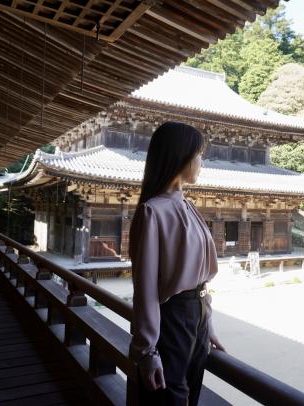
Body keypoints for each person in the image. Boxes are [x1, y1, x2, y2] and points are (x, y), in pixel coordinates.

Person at [129, 121, 225, 405]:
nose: (201, 162)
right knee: (171, 398)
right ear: (180, 156)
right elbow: (145, 288)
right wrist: (146, 351)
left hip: (196, 318)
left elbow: (201, 281)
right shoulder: (152, 212)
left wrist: (207, 324)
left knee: (191, 394)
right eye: (199, 154)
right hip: (172, 320)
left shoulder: (188, 206)